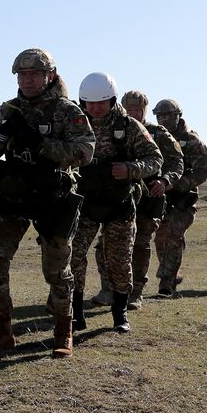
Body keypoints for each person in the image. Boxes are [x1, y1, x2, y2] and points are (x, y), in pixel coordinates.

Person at [0, 49, 94, 358]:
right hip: (12, 195)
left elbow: (85, 151)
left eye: (34, 75)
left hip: (53, 196)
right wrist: (2, 133)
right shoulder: (6, 111)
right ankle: (2, 332)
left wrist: (42, 146)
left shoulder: (67, 111)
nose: (27, 80)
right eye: (22, 75)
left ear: (49, 76)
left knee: (56, 269)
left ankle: (62, 331)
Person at [69, 73, 162, 334]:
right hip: (83, 205)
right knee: (74, 257)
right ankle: (76, 314)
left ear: (111, 99)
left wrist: (131, 169)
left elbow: (155, 159)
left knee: (119, 262)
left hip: (118, 205)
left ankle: (120, 315)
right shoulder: (75, 124)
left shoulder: (129, 126)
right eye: (90, 103)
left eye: (100, 103)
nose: (95, 108)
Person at [90, 90, 183, 309]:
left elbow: (176, 162)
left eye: (137, 110)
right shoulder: (113, 129)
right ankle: (108, 290)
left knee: (140, 245)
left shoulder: (157, 134)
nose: (132, 113)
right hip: (117, 199)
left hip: (148, 199)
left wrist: (165, 181)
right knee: (106, 245)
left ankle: (135, 293)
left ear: (144, 111)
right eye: (128, 109)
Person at [152, 99, 207, 296]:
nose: (163, 119)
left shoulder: (191, 140)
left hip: (183, 199)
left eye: (168, 115)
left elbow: (202, 172)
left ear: (178, 116)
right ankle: (171, 274)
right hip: (161, 197)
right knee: (160, 239)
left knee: (174, 237)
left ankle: (166, 282)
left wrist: (178, 183)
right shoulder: (154, 137)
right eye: (159, 116)